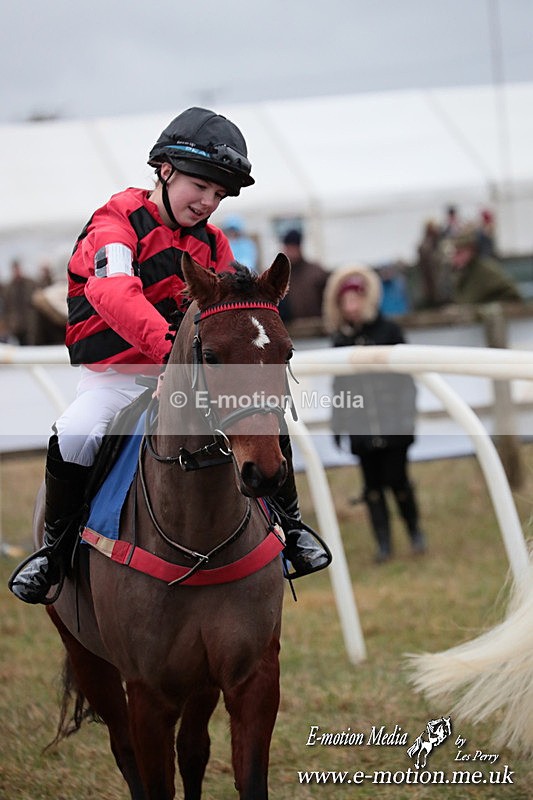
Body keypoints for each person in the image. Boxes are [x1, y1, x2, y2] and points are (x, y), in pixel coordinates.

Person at [9, 107, 329, 605]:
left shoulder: (215, 243)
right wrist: (169, 362)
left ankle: (290, 528)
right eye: (200, 186)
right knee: (75, 432)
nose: (207, 202)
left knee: (261, 419)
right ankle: (55, 554)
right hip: (119, 376)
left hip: (194, 377)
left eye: (219, 195)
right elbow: (115, 294)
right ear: (165, 170)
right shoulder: (114, 222)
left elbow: (232, 317)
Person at [323, 265, 426, 563]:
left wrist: (407, 418)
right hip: (362, 427)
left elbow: (407, 379)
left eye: (356, 300)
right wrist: (338, 423)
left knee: (398, 480)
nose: (351, 307)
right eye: (346, 302)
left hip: (393, 424)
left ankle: (414, 531)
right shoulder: (340, 341)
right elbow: (338, 385)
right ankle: (383, 543)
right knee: (371, 486)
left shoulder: (389, 331)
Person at [449, 224, 522, 305]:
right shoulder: (462, 274)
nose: (455, 258)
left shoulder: (485, 271)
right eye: (454, 254)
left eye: (459, 253)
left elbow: (513, 297)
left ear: (471, 251)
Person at [278, 228, 328, 322]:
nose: (291, 251)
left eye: (293, 247)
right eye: (288, 247)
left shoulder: (316, 272)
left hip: (317, 328)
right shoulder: (279, 276)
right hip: (291, 330)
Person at [3, 258, 37, 345]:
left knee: (30, 344)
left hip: (29, 324)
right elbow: (6, 307)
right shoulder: (8, 288)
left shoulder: (30, 283)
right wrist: (9, 322)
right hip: (15, 326)